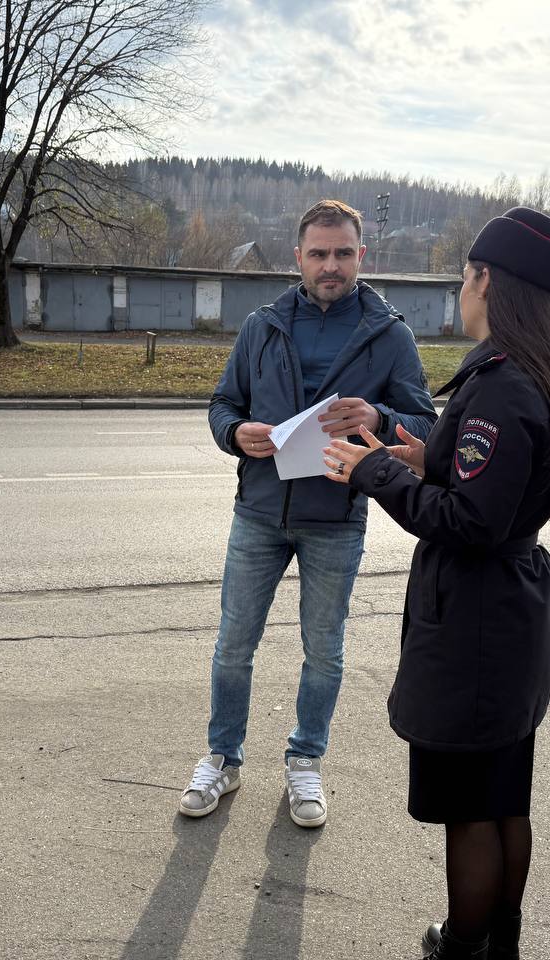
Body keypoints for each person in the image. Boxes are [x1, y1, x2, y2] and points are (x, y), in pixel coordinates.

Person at [322, 207, 550, 958]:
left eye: (465, 277)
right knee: (504, 798)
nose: (461, 293)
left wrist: (372, 469)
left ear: (487, 282)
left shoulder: (505, 386)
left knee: (473, 812)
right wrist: (418, 454)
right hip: (508, 615)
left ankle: (465, 944)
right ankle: (497, 941)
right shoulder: (529, 370)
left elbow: (470, 521)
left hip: (478, 623)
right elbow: (491, 485)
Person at [181, 199, 438, 828]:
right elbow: (222, 404)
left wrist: (382, 419)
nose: (331, 265)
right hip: (259, 511)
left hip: (338, 518)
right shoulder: (261, 325)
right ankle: (223, 756)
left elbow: (426, 427)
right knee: (233, 646)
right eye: (318, 253)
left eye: (342, 253)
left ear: (361, 256)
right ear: (297, 257)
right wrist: (234, 431)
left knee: (323, 652)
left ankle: (304, 761)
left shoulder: (390, 334)